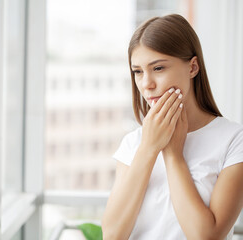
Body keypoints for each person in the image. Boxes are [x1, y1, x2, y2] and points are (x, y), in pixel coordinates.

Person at [102, 14, 243, 240]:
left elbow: (206, 236)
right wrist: (149, 147)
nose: (146, 84)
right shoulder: (132, 144)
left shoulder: (234, 140)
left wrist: (173, 155)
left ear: (193, 67)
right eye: (138, 71)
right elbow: (112, 235)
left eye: (158, 68)